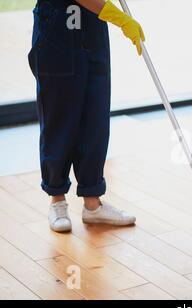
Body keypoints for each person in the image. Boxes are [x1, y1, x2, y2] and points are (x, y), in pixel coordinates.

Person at [28, 0, 145, 232]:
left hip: (92, 29)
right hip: (57, 30)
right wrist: (121, 19)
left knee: (95, 118)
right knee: (59, 118)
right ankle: (57, 200)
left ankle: (93, 203)